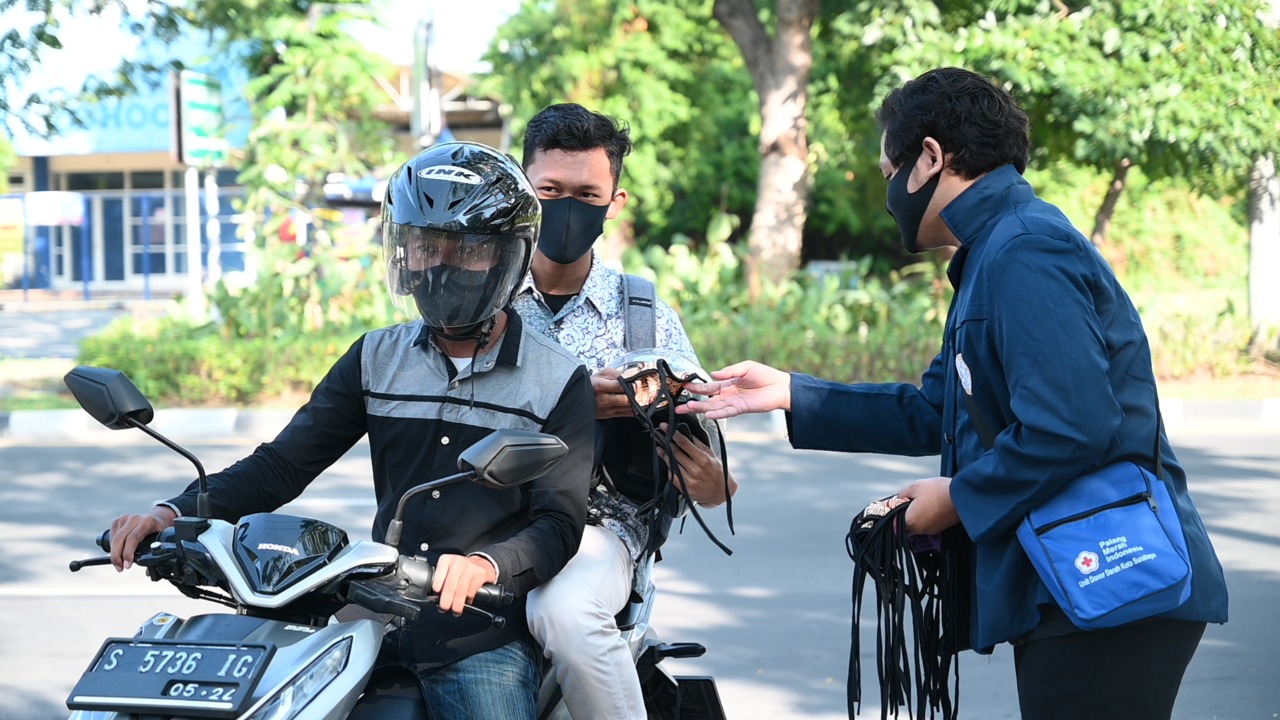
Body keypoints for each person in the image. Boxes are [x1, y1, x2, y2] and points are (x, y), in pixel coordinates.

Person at [677, 67, 1228, 720]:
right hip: (1074, 582)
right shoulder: (993, 251)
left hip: (1106, 576)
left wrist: (956, 498)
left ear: (931, 158)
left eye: (889, 173)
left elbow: (1074, 426)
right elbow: (935, 412)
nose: (888, 196)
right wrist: (792, 393)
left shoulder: (1024, 249)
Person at [107, 141, 596, 720]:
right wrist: (171, 512)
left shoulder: (557, 378)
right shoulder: (375, 357)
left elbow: (557, 523)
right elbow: (282, 465)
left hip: (478, 633)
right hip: (371, 611)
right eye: (423, 246)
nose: (438, 264)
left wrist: (487, 565)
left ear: (507, 258)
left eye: (463, 250)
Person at [511, 102, 737, 720]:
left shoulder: (645, 318)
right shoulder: (477, 299)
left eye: (587, 194)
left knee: (563, 610)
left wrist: (711, 480)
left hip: (599, 529)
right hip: (479, 519)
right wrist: (574, 404)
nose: (565, 208)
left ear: (615, 201)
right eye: (549, 190)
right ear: (521, 188)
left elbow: (713, 475)